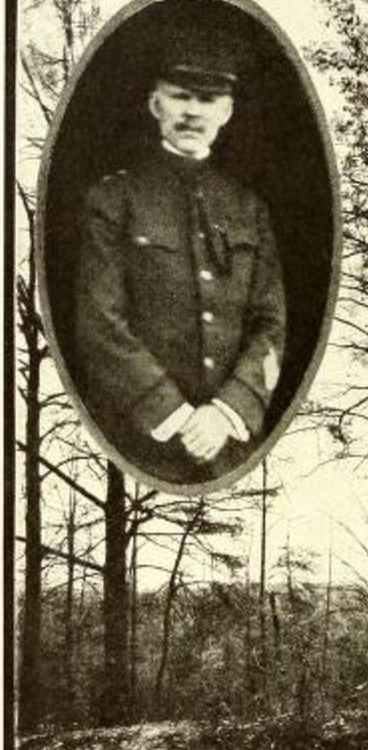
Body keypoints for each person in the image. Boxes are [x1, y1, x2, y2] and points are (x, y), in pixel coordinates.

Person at [76, 25, 286, 484]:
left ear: (227, 112)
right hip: (138, 445)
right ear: (156, 103)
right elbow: (100, 324)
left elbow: (271, 327)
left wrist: (226, 411)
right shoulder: (115, 200)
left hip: (233, 447)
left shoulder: (248, 208)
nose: (192, 112)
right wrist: (172, 414)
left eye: (208, 100)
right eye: (180, 96)